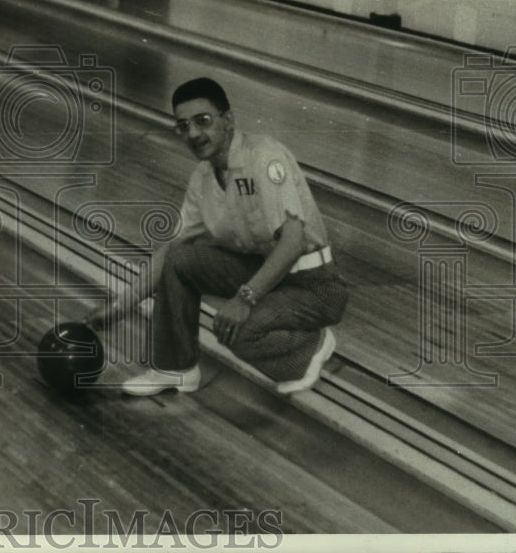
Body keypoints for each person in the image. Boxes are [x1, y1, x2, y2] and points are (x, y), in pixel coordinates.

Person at [92, 77, 348, 396]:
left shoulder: (264, 157)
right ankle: (175, 368)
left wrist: (244, 298)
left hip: (314, 284)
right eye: (184, 126)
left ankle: (312, 345)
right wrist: (121, 306)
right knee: (179, 258)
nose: (194, 134)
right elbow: (172, 246)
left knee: (237, 331)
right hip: (268, 276)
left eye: (203, 121)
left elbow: (293, 242)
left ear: (228, 120)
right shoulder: (203, 178)